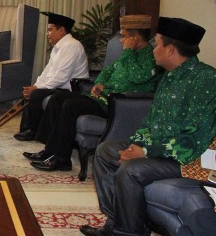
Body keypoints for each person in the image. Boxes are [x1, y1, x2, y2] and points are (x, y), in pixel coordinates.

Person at [79, 17, 216, 236]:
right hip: (156, 150)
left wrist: (144, 152)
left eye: (157, 44)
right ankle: (116, 222)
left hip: (188, 159)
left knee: (131, 170)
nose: (153, 50)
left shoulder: (206, 80)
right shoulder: (168, 77)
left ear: (170, 50)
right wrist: (137, 144)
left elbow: (193, 140)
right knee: (105, 150)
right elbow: (150, 121)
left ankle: (127, 233)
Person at [26, 15, 161, 171]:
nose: (121, 41)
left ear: (135, 38)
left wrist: (128, 52)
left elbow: (137, 77)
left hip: (118, 105)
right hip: (101, 98)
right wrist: (99, 83)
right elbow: (108, 70)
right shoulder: (127, 54)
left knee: (70, 106)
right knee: (58, 98)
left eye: (124, 37)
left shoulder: (151, 57)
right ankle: (50, 151)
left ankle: (62, 159)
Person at [13, 12, 89, 141]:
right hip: (59, 86)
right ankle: (28, 129)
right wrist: (36, 85)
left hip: (71, 89)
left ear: (62, 31)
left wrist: (37, 89)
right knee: (31, 91)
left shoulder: (72, 46)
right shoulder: (58, 47)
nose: (48, 33)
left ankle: (33, 131)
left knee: (36, 94)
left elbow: (61, 77)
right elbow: (47, 71)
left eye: (50, 30)